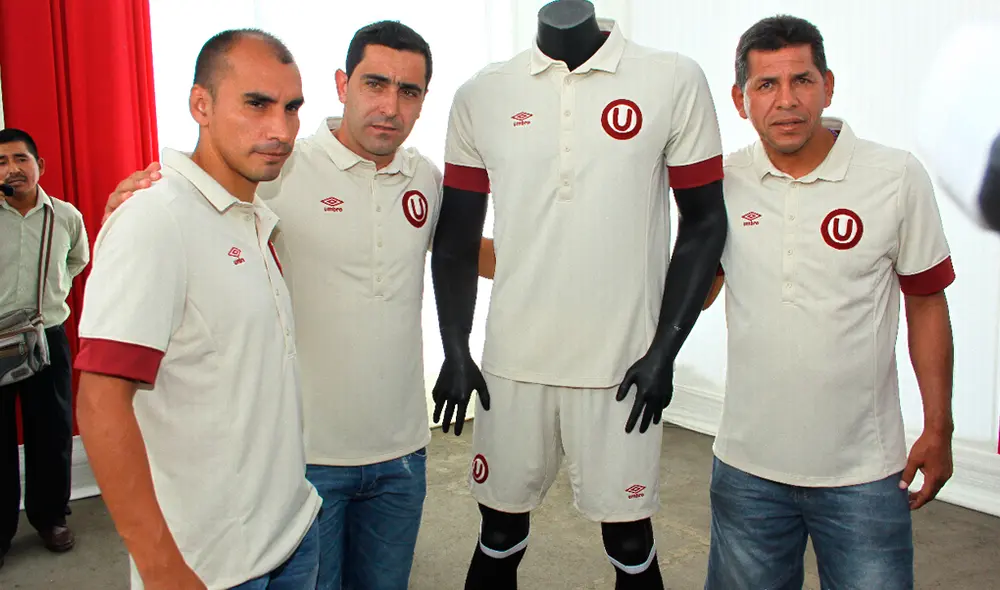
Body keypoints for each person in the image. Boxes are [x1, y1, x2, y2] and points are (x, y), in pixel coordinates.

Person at [103, 20, 492, 590]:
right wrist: (135, 199)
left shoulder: (424, 178)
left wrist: (559, 264)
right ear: (342, 84)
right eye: (375, 84)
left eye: (408, 91)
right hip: (307, 459)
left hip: (405, 451)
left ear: (423, 101)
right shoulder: (282, 166)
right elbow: (198, 198)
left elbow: (464, 254)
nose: (390, 105)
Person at [430, 1, 728, 588]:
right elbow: (458, 238)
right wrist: (455, 346)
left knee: (629, 538)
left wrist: (663, 352)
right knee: (497, 533)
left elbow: (704, 222)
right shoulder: (482, 94)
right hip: (513, 365)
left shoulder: (671, 78)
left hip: (622, 365)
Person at [704, 15, 955, 590]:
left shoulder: (893, 177)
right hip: (747, 469)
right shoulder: (722, 181)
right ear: (741, 100)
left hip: (864, 475)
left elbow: (926, 302)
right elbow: (695, 294)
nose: (786, 101)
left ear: (829, 85)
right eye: (767, 85)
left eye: (803, 80)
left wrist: (938, 425)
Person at [75, 30, 322, 590]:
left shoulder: (251, 214)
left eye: (292, 108)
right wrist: (163, 572)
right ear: (200, 106)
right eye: (256, 104)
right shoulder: (155, 218)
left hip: (291, 535)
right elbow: (99, 402)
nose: (280, 130)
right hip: (210, 568)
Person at [0, 128, 89, 568]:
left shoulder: (66, 217)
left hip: (46, 336)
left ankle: (51, 516)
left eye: (20, 158)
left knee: (51, 431)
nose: (12, 168)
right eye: (0, 162)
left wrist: (50, 297)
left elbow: (78, 260)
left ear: (40, 166)